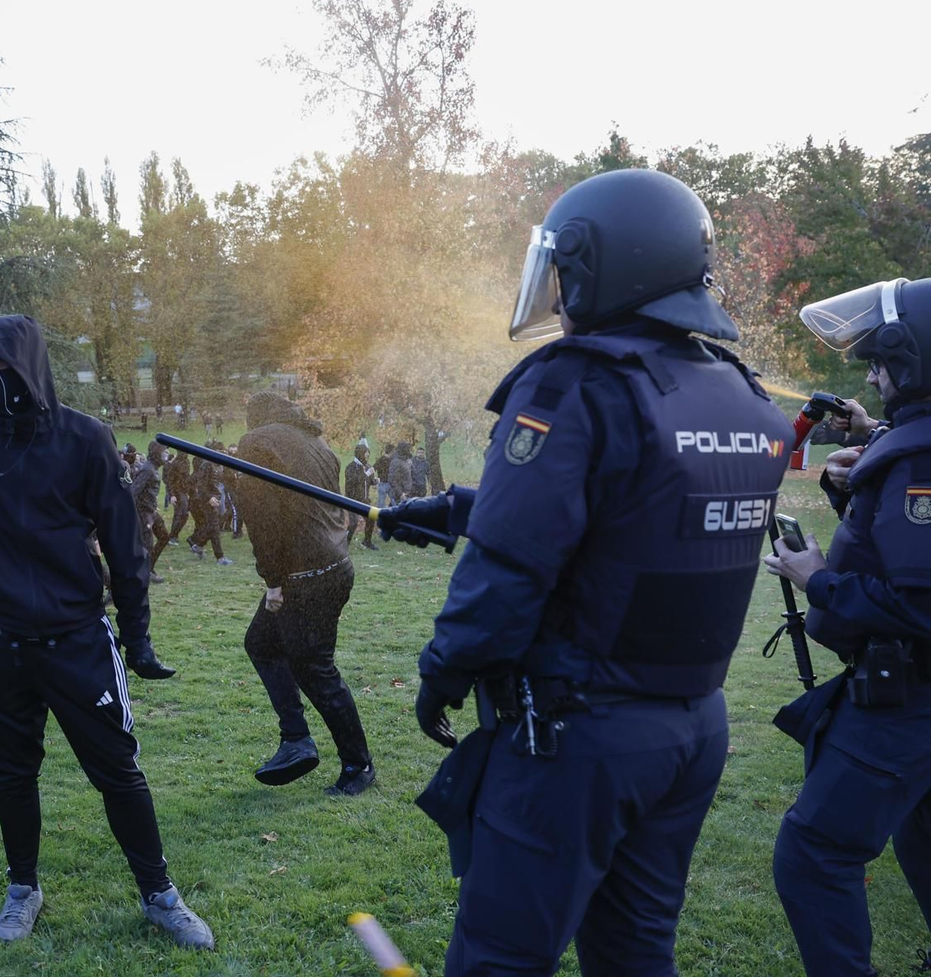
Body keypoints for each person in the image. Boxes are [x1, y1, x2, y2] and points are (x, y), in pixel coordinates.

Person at [381, 169, 790, 973]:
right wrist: (465, 504)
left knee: (500, 956)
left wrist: (446, 668)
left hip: (575, 737)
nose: (560, 294)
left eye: (566, 271)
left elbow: (508, 568)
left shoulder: (576, 380)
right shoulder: (734, 392)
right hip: (691, 729)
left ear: (606, 267)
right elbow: (635, 519)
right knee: (635, 953)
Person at [0, 314, 212, 949]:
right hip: (0, 640)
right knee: (12, 773)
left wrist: (137, 635)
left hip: (77, 638)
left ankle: (160, 895)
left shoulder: (84, 439)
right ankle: (23, 889)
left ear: (27, 368)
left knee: (118, 771)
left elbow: (125, 545)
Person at [762, 276, 931, 976]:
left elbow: (920, 606)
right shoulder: (909, 444)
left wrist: (816, 578)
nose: (868, 374)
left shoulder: (920, 458)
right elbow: (895, 551)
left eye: (880, 361)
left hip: (908, 697)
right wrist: (851, 480)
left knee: (813, 853)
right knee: (922, 837)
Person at [234, 391, 374, 796]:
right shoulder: (317, 442)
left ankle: (358, 765)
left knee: (315, 669)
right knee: (262, 642)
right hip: (333, 566)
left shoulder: (257, 443)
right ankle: (295, 739)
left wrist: (273, 581)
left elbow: (263, 519)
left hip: (306, 575)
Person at [132, 441, 172, 584]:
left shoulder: (153, 468)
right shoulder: (147, 469)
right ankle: (144, 573)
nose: (166, 454)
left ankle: (149, 569)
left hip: (151, 510)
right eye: (163, 451)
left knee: (164, 536)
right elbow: (133, 491)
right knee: (147, 545)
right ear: (156, 452)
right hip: (144, 513)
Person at [186, 445, 231, 565]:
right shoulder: (207, 465)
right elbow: (201, 485)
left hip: (215, 498)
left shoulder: (218, 464)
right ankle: (219, 557)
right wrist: (209, 498)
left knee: (213, 526)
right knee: (214, 527)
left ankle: (197, 544)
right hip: (207, 499)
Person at [344, 442, 378, 550]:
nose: (367, 456)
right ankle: (344, 545)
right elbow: (353, 481)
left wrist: (374, 481)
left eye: (368, 454)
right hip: (352, 499)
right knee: (353, 523)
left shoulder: (367, 466)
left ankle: (367, 542)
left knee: (371, 519)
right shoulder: (351, 467)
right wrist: (367, 474)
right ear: (359, 454)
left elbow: (368, 481)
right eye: (365, 454)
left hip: (364, 500)